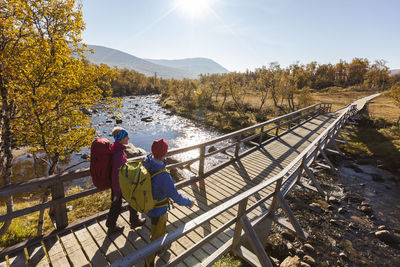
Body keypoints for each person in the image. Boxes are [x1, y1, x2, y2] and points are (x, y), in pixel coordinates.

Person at [145, 138, 194, 267]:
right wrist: (189, 202)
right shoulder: (163, 176)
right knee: (155, 237)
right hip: (158, 210)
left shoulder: (148, 162)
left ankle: (160, 248)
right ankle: (148, 262)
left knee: (158, 229)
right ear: (164, 153)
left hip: (150, 205)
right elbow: (176, 197)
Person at [106, 127, 146, 234]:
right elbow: (116, 174)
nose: (129, 138)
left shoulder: (117, 149)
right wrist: (117, 191)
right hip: (119, 185)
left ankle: (113, 225)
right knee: (127, 202)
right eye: (126, 136)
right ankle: (132, 221)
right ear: (121, 138)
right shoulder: (118, 154)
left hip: (119, 185)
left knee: (118, 205)